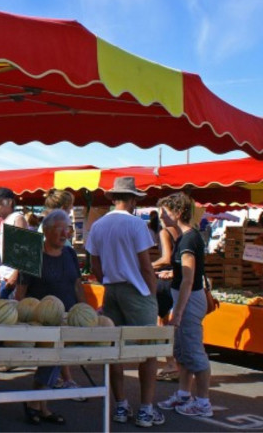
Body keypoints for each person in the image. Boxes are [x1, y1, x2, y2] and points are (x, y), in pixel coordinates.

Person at [86, 176, 162, 428]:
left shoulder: (98, 225)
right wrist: (150, 294)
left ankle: (120, 405)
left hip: (111, 289)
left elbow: (94, 262)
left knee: (114, 349)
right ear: (131, 199)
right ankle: (145, 410)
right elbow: (146, 266)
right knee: (149, 351)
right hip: (135, 290)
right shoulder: (136, 225)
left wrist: (106, 280)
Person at [17, 209, 88, 425]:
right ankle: (36, 405)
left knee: (54, 363)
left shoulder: (70, 254)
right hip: (42, 318)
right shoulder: (33, 255)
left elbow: (77, 283)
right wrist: (22, 317)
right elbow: (21, 290)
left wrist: (84, 307)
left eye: (68, 229)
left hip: (68, 317)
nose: (66, 233)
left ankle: (40, 406)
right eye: (61, 229)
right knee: (48, 362)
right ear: (46, 231)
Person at [157, 192, 213, 418]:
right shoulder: (184, 236)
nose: (161, 216)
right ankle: (183, 394)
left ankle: (203, 403)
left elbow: (190, 279)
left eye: (165, 212)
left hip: (188, 301)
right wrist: (174, 273)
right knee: (183, 353)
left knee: (195, 354)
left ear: (178, 213)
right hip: (183, 298)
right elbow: (186, 273)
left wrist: (178, 312)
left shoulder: (189, 238)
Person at [151, 195, 181, 382]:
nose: (161, 215)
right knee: (172, 324)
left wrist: (147, 265)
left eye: (164, 212)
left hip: (165, 281)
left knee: (161, 324)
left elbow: (166, 259)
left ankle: (170, 363)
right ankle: (176, 362)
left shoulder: (165, 232)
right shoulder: (183, 231)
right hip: (178, 281)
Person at [0, 187, 28, 299]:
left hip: (10, 280)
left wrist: (15, 275)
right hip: (3, 278)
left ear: (10, 202)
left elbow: (24, 249)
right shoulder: (5, 221)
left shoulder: (17, 218)